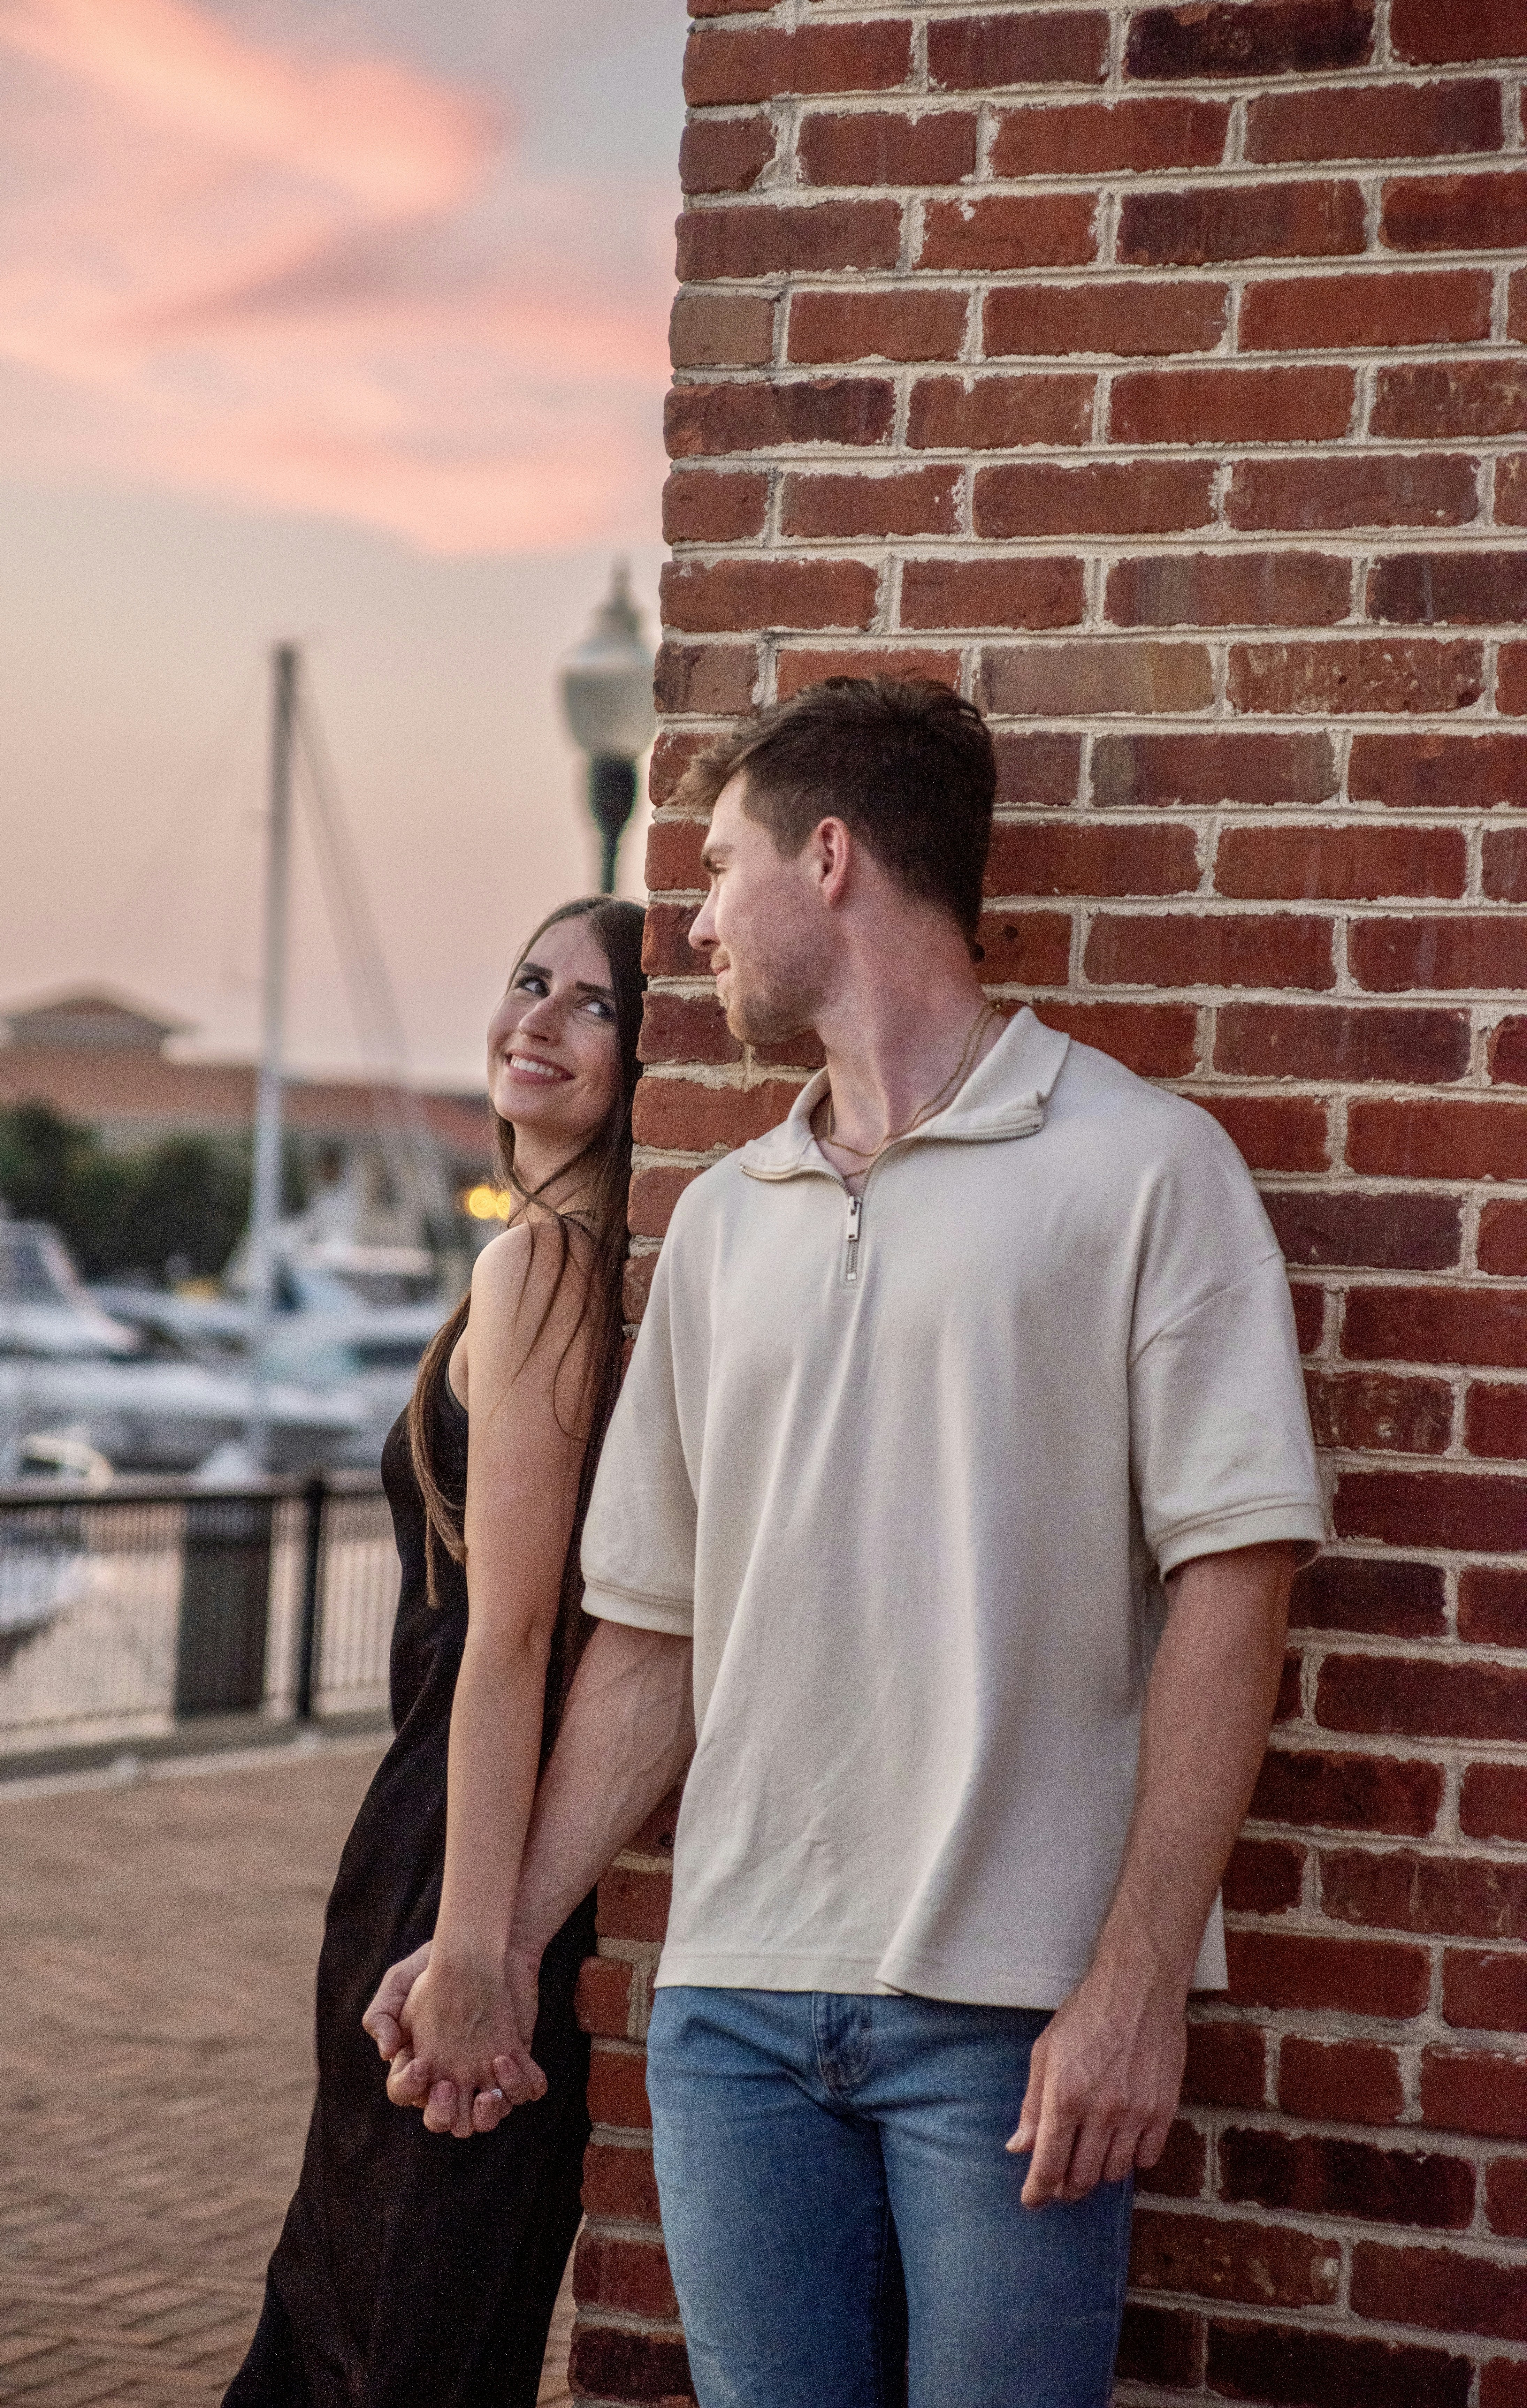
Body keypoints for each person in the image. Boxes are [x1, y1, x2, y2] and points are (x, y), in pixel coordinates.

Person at [383, 678, 1324, 2408]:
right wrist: (500, 1944)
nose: (695, 922)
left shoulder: (1137, 1167)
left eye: (719, 866)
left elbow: (1236, 1574)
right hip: (732, 2011)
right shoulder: (727, 1221)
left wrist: (1134, 1985)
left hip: (1013, 2021)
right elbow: (655, 1641)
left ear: (826, 860)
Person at [224, 895, 647, 2408]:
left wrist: (475, 1947)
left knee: (391, 2331)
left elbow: (516, 1630)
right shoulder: (561, 1255)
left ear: (647, 1050)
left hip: (458, 1853)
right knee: (374, 2307)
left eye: (591, 1004)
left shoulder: (552, 1268)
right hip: (456, 1834)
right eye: (529, 981)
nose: (535, 1019)